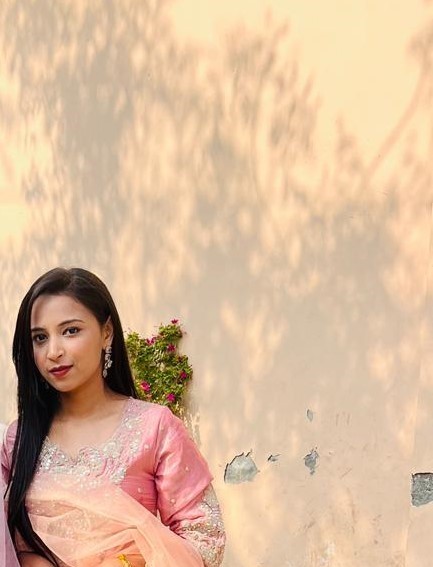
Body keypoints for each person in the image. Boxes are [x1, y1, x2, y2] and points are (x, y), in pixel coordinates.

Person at [1, 267, 225, 567]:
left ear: (106, 332)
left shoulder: (154, 427)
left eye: (70, 331)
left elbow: (205, 536)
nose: (53, 351)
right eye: (40, 338)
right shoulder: (17, 440)